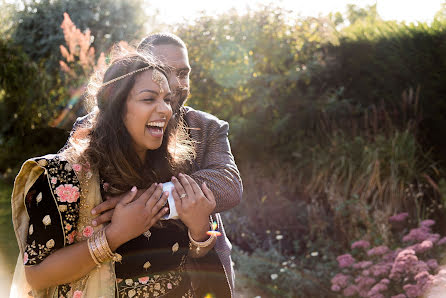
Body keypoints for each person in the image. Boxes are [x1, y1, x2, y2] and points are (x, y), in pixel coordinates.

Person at [11, 47, 228, 297]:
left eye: (167, 99)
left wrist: (201, 231)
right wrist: (115, 235)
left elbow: (203, 245)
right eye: (149, 99)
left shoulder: (175, 171)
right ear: (116, 105)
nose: (165, 110)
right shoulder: (63, 176)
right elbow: (36, 275)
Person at [88, 33, 242, 297]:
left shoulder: (207, 127)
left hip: (200, 271)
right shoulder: (97, 124)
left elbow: (228, 184)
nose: (176, 83)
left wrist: (145, 201)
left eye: (183, 73)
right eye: (164, 71)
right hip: (115, 275)